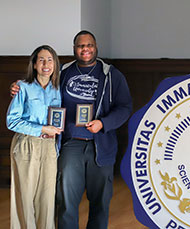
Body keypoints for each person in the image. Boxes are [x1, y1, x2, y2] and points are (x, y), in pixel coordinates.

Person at [10, 30, 133, 229]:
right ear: (74, 48)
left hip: (101, 146)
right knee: (66, 202)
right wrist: (18, 87)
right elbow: (39, 87)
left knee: (100, 203)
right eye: (80, 45)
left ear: (96, 47)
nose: (85, 49)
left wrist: (103, 123)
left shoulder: (111, 75)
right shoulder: (64, 72)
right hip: (69, 145)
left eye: (89, 45)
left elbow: (125, 107)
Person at [7, 45, 62, 228]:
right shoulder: (23, 87)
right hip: (26, 144)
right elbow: (12, 121)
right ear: (35, 64)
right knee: (25, 196)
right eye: (41, 59)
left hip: (50, 147)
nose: (46, 64)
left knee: (47, 198)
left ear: (55, 64)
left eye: (50, 59)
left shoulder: (59, 90)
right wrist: (41, 129)